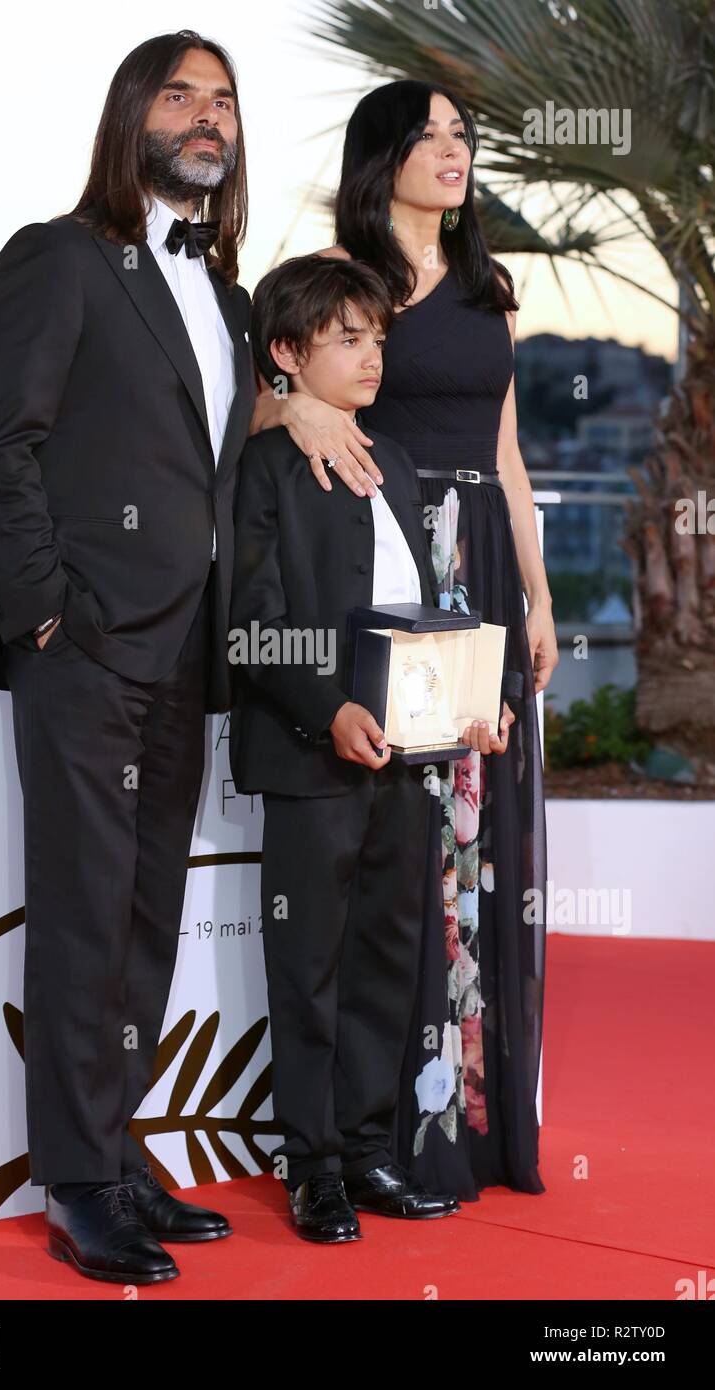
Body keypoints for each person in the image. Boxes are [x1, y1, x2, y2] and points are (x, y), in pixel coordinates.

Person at [0, 31, 256, 1285]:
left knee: (147, 916)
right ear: (132, 113)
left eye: (224, 101)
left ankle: (116, 1146)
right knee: (84, 915)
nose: (206, 118)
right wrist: (44, 617)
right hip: (85, 647)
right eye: (180, 95)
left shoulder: (231, 292)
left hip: (193, 650)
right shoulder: (58, 257)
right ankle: (75, 1182)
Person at [249, 81, 557, 1202]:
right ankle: (365, 1137)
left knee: (471, 845)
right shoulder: (344, 283)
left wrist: (534, 593)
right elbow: (263, 409)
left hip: (480, 566)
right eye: (427, 133)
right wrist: (296, 406)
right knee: (399, 856)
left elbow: (510, 455)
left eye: (463, 133)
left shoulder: (487, 290)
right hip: (384, 573)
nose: (452, 149)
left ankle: (452, 1121)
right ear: (377, 156)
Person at [230, 252, 513, 1241]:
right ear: (282, 354)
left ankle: (366, 1152)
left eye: (377, 337)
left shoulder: (391, 458)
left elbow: (422, 611)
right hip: (312, 755)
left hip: (413, 750)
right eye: (345, 338)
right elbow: (248, 622)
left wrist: (474, 698)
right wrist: (327, 708)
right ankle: (311, 1170)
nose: (370, 356)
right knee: (306, 966)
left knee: (387, 958)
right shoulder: (260, 463)